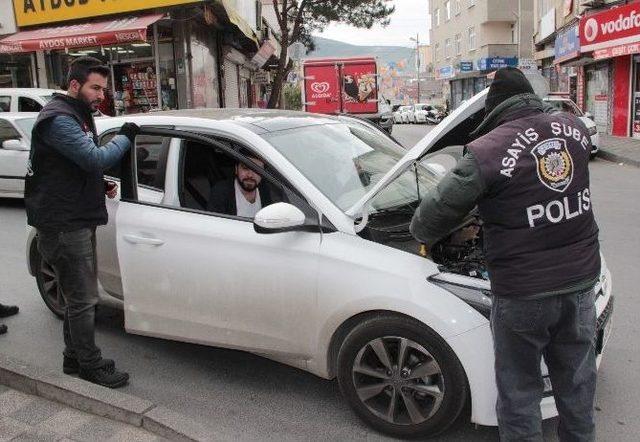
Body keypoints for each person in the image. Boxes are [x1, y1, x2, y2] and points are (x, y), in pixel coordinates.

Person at [410, 67, 600, 441]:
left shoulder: (488, 150)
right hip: (580, 285)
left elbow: (427, 221)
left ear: (493, 109)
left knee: (520, 393)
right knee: (577, 387)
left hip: (524, 293)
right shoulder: (574, 130)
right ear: (531, 98)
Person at [24, 56, 139, 389]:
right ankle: (89, 364)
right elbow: (93, 158)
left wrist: (95, 184)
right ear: (74, 85)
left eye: (103, 88)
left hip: (73, 217)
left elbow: (69, 167)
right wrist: (125, 136)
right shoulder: (59, 119)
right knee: (84, 299)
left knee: (77, 297)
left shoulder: (76, 114)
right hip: (63, 225)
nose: (100, 95)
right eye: (95, 87)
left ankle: (73, 357)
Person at [208, 153, 274, 218]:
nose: (250, 175)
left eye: (257, 170)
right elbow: (215, 224)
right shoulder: (221, 191)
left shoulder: (265, 190)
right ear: (236, 170)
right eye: (245, 168)